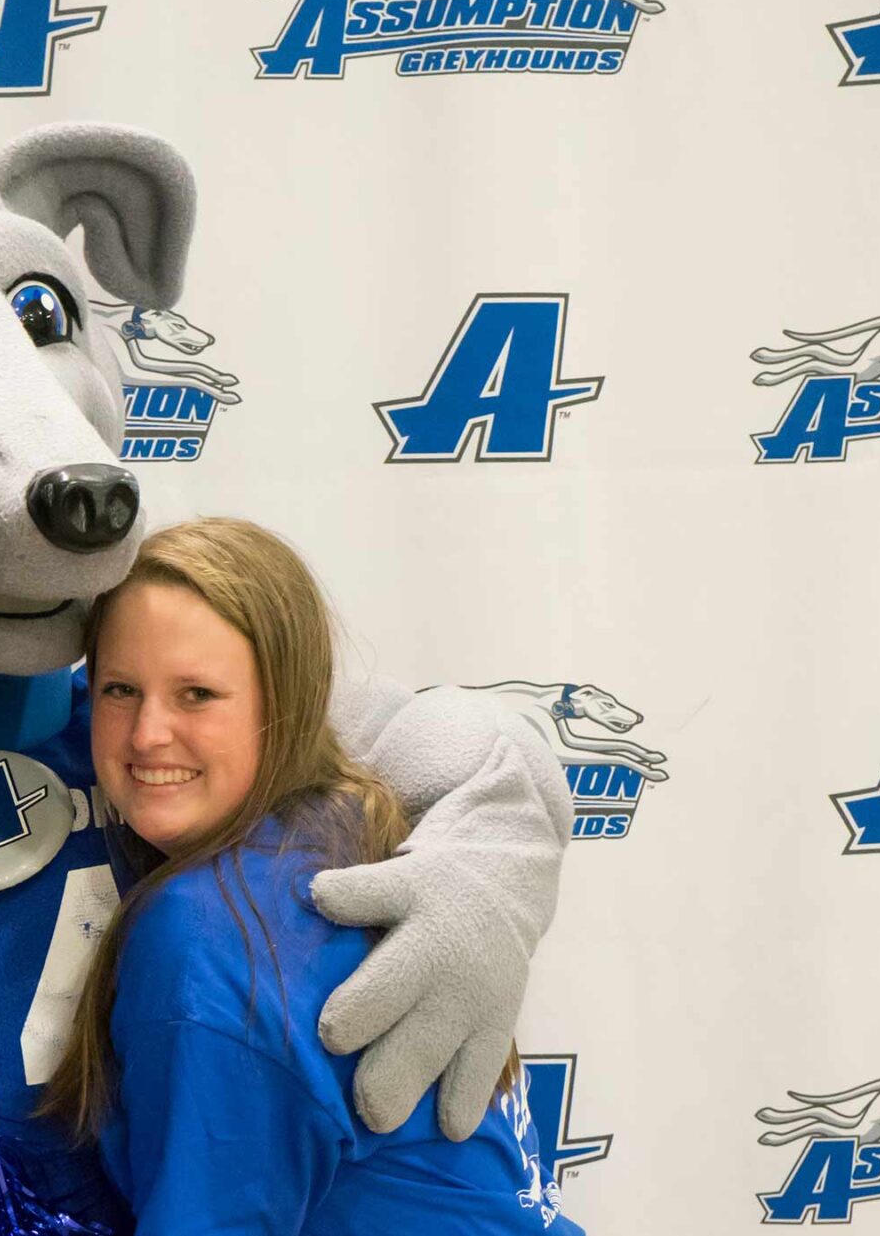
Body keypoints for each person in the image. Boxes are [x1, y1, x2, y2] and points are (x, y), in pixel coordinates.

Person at [44, 518, 584, 1233]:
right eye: (119, 689)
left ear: (287, 702)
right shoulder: (356, 822)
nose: (147, 734)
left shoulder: (207, 934)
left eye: (197, 694)